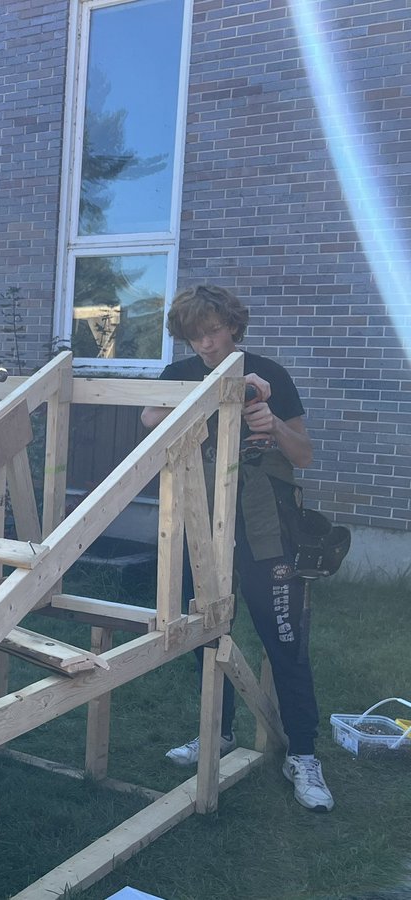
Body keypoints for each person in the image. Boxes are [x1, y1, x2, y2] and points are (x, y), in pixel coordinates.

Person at [141, 284, 333, 813]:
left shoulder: (268, 374)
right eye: (194, 335)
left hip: (265, 527)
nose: (204, 343)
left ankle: (303, 751)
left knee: (283, 637)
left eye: (212, 331)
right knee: (209, 631)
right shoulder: (180, 375)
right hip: (203, 526)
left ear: (233, 326)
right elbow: (150, 425)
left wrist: (271, 425)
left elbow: (306, 454)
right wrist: (191, 408)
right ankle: (216, 733)